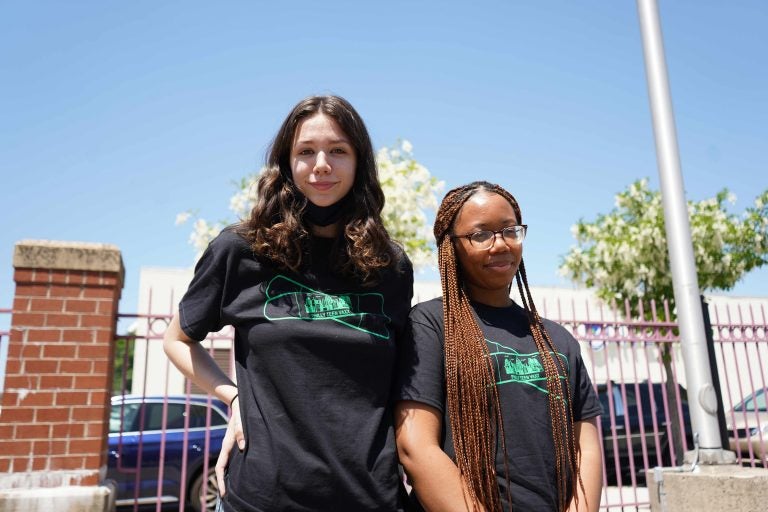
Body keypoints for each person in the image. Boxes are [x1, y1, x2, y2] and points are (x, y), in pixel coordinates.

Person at [163, 95, 414, 512]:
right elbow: (177, 339)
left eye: (338, 150)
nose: (321, 164)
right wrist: (234, 397)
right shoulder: (241, 250)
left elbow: (401, 382)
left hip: (370, 497)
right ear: (286, 162)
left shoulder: (390, 265)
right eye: (306, 151)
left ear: (359, 163)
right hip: (262, 496)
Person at [395, 181, 602, 511]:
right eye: (481, 235)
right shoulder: (431, 325)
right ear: (451, 246)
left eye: (510, 231)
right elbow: (415, 446)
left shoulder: (558, 340)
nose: (500, 244)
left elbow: (587, 449)